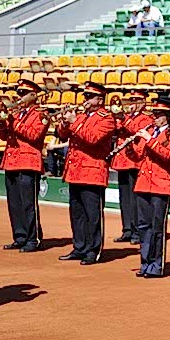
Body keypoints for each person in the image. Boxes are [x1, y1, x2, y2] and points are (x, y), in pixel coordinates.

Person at [56, 82, 116, 265]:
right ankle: (79, 247)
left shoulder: (106, 118)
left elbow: (93, 138)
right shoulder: (81, 116)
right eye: (85, 97)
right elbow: (63, 135)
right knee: (77, 213)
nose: (86, 100)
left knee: (92, 214)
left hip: (92, 172)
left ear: (100, 100)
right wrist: (64, 122)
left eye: (90, 97)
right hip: (76, 171)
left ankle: (93, 250)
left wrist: (74, 121)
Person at [127, 98, 170, 278]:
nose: (155, 118)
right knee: (143, 226)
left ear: (167, 116)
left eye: (159, 115)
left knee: (157, 227)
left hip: (161, 184)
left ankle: (156, 265)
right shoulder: (150, 131)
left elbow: (167, 155)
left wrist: (149, 139)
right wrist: (129, 147)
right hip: (143, 183)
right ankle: (145, 263)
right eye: (155, 114)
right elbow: (138, 156)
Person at [0, 78, 49, 253]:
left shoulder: (40, 114)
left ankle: (33, 238)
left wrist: (13, 122)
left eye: (24, 94)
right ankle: (20, 237)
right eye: (19, 93)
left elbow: (34, 135)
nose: (20, 97)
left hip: (28, 162)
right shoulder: (16, 113)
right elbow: (4, 137)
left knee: (28, 203)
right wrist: (1, 122)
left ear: (34, 95)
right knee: (14, 204)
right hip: (12, 161)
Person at [111, 90, 153, 245]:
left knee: (135, 199)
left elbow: (137, 130)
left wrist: (124, 118)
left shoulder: (146, 118)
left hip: (135, 161)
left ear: (143, 102)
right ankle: (127, 229)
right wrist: (117, 117)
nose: (133, 103)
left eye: (136, 100)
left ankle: (137, 231)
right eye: (131, 100)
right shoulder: (128, 116)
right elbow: (115, 129)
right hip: (123, 160)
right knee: (124, 198)